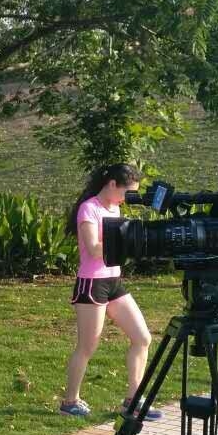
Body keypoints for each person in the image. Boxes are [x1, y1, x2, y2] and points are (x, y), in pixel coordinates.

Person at [59, 164, 160, 420]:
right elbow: (94, 248)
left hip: (113, 281)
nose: (129, 198)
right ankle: (70, 401)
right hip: (92, 283)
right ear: (113, 184)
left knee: (142, 338)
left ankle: (132, 400)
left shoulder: (115, 208)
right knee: (87, 347)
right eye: (128, 192)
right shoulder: (89, 208)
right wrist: (126, 239)